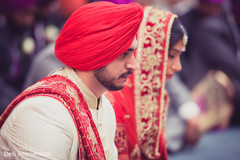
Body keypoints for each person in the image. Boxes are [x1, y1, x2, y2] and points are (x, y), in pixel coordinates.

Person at [0, 2, 143, 160]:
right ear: (96, 53)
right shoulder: (45, 114)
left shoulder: (104, 106)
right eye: (124, 54)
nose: (134, 65)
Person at [105, 6, 188, 160]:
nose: (178, 66)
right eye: (171, 56)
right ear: (148, 53)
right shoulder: (112, 103)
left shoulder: (158, 96)